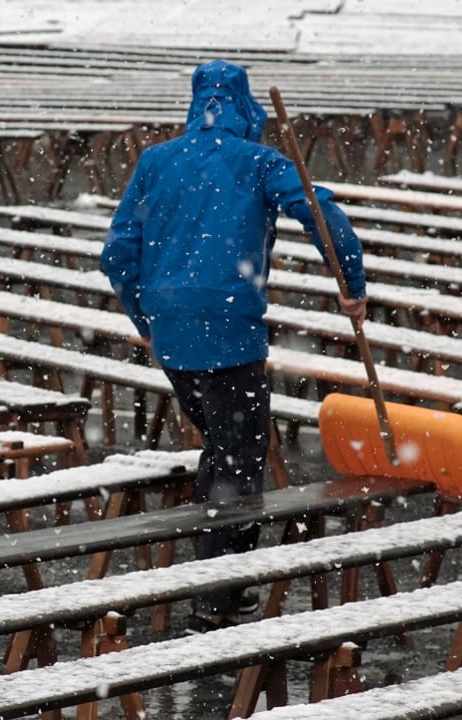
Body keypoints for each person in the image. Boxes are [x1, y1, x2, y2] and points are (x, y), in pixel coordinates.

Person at [100, 60, 368, 635]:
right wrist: (352, 285)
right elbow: (323, 216)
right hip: (230, 331)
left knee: (223, 447)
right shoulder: (261, 162)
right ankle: (219, 595)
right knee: (240, 458)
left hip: (174, 335)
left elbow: (116, 254)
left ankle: (221, 576)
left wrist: (145, 317)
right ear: (246, 108)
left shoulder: (156, 161)